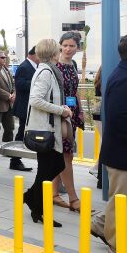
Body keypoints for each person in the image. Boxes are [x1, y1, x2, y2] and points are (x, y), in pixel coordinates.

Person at [91, 33, 127, 253]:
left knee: (125, 201)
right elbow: (120, 120)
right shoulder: (126, 79)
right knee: (125, 203)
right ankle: (118, 249)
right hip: (125, 155)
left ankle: (100, 223)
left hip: (124, 153)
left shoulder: (126, 74)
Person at [22, 39, 71, 228]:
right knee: (48, 169)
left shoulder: (47, 70)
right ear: (53, 53)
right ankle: (38, 209)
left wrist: (61, 107)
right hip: (45, 130)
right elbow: (35, 100)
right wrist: (61, 111)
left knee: (54, 165)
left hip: (48, 128)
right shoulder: (45, 72)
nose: (60, 52)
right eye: (58, 50)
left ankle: (31, 198)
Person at [52, 32, 83, 212]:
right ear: (60, 46)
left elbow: (75, 89)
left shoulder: (73, 64)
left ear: (77, 48)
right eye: (65, 45)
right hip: (59, 114)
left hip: (72, 113)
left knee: (63, 154)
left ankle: (54, 194)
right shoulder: (54, 65)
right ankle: (73, 198)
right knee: (65, 155)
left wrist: (79, 110)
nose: (68, 49)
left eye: (72, 46)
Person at [11, 47, 39, 172]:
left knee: (24, 132)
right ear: (33, 54)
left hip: (30, 106)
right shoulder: (24, 66)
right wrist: (37, 83)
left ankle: (16, 159)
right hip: (24, 106)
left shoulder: (33, 66)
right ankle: (15, 160)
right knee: (21, 133)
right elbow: (20, 85)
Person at [89, 66, 103, 188]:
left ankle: (96, 167)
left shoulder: (98, 80)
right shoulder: (103, 81)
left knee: (104, 141)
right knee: (105, 142)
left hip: (97, 113)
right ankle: (96, 168)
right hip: (101, 114)